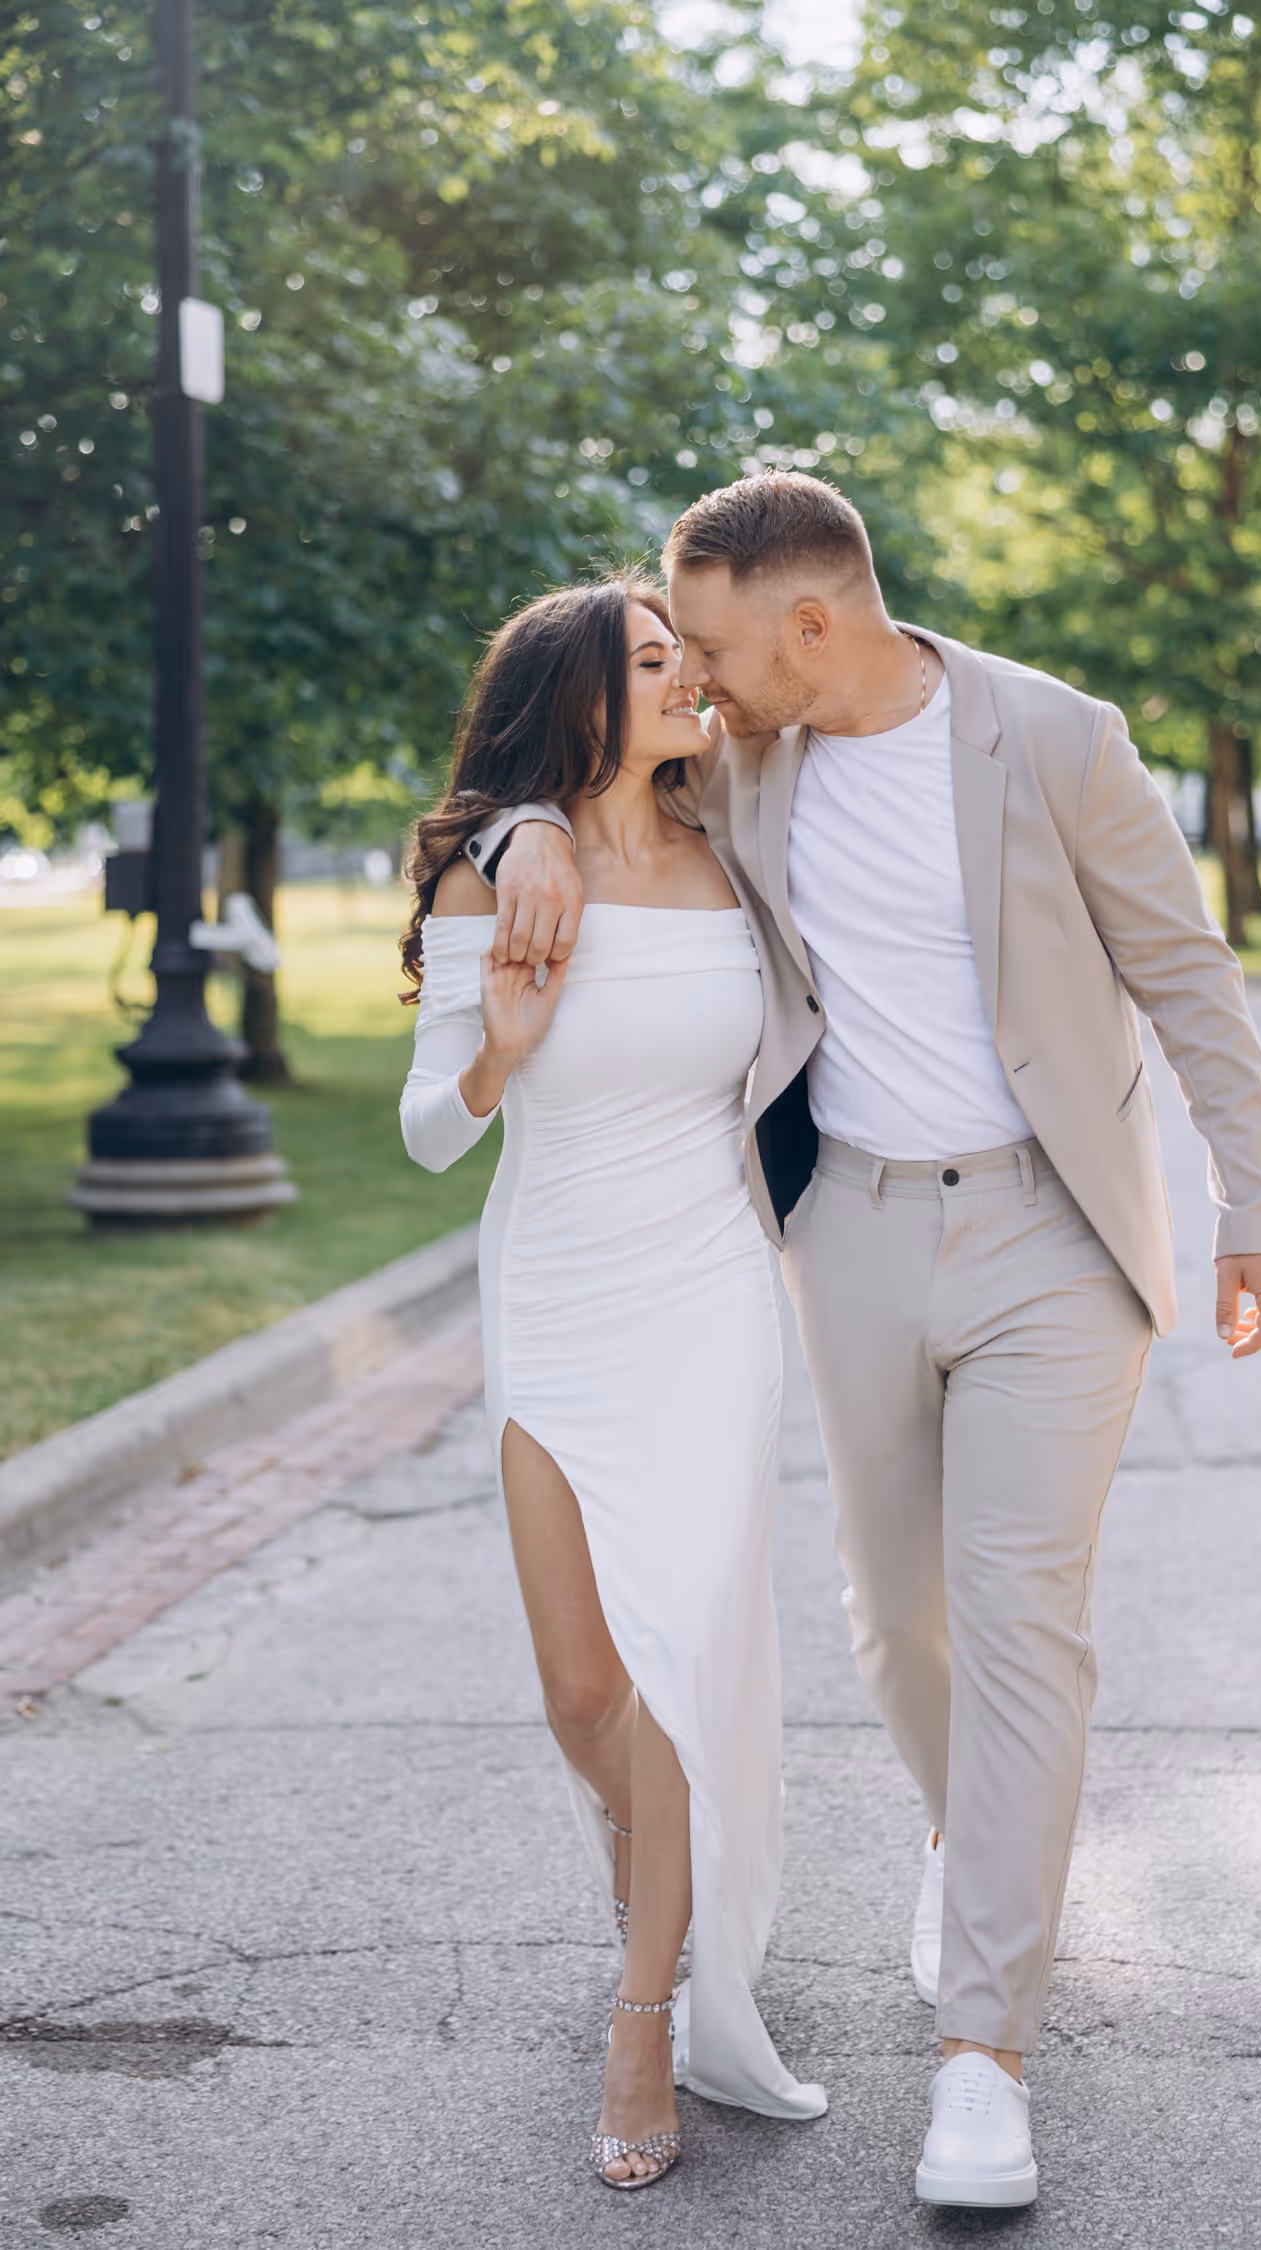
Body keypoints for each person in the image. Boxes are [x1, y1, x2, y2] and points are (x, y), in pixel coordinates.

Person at [474, 473, 1261, 2210]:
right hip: (846, 1226)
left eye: (707, 642)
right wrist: (516, 838)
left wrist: (1259, 1199)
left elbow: (1189, 972)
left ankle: (983, 2058)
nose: (689, 680)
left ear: (810, 625)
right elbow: (551, 775)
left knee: (1020, 1617)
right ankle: (961, 1829)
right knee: (897, 1609)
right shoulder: (738, 756)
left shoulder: (1056, 739)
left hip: (1053, 1229)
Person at [398, 574, 827, 2191]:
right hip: (555, 1286)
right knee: (582, 1688)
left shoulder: (738, 844)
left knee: (675, 1643)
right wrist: (500, 1041)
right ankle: (676, 1869)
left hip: (713, 1291)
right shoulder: (483, 871)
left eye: (685, 657)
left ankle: (645, 2013)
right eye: (653, 662)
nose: (689, 679)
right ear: (576, 691)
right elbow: (432, 1128)